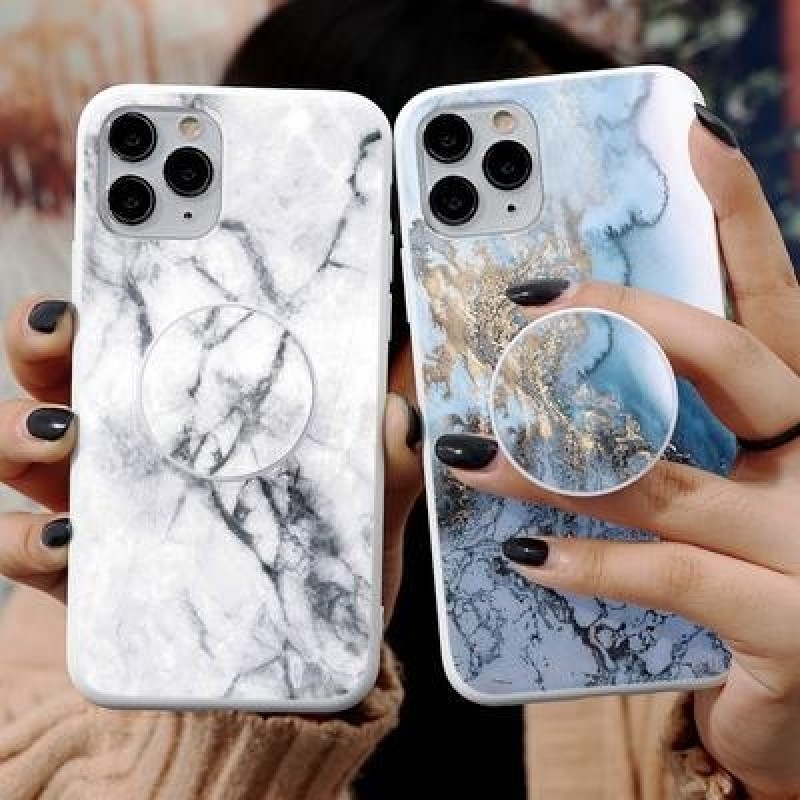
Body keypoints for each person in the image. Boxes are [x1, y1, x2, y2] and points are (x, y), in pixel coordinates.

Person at [1, 1, 799, 798]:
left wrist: (772, 768)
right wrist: (239, 700)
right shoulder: (112, 598)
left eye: (604, 267)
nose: (579, 328)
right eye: (518, 271)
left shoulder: (702, 596)